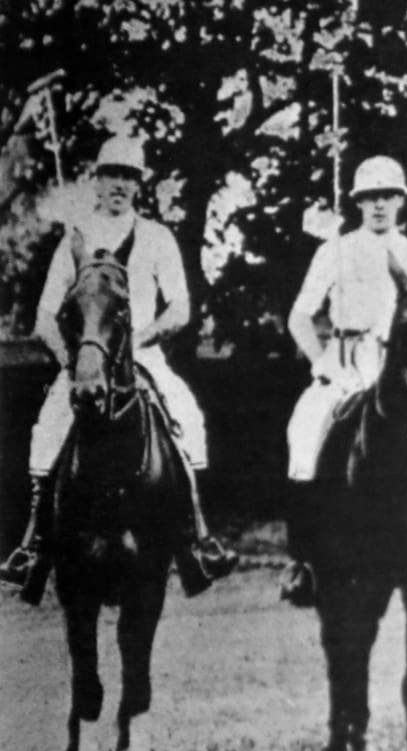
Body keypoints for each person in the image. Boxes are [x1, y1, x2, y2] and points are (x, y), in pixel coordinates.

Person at [0, 136, 239, 603]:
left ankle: (198, 540)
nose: (119, 185)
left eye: (128, 177)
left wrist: (138, 341)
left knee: (187, 416)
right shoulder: (75, 237)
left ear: (138, 184)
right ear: (97, 179)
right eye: (111, 174)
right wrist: (73, 360)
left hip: (141, 357)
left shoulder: (157, 237)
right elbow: (45, 317)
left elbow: (182, 309)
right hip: (85, 362)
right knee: (48, 426)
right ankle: (32, 546)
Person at [281, 154, 407, 606]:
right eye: (369, 197)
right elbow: (299, 316)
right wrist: (319, 361)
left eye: (388, 196)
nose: (379, 205)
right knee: (303, 432)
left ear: (401, 200)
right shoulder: (334, 249)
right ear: (357, 203)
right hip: (345, 363)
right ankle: (303, 559)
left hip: (402, 369)